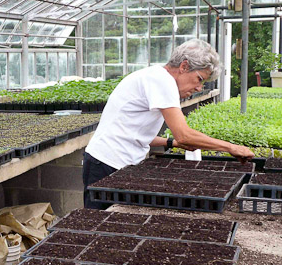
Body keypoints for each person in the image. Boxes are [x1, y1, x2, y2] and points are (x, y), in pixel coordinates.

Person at [83, 39, 254, 209]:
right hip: (105, 164)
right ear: (184, 66)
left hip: (114, 163)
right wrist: (231, 148)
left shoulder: (156, 77)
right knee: (97, 223)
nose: (199, 88)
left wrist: (171, 143)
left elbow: (137, 134)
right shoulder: (162, 81)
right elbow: (184, 135)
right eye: (199, 79)